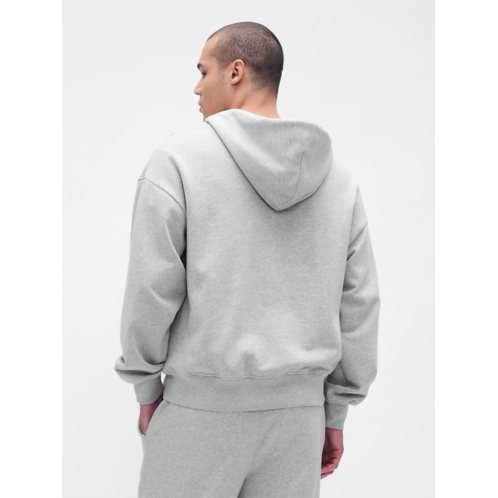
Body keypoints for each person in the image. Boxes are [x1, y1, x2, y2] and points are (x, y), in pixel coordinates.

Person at [114, 21, 380, 498]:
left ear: (235, 71)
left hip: (200, 412)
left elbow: (152, 287)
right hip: (299, 422)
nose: (196, 87)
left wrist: (146, 388)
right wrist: (334, 412)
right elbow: (359, 302)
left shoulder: (178, 161)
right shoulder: (338, 181)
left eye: (204, 71)